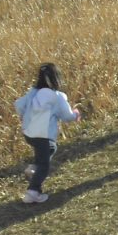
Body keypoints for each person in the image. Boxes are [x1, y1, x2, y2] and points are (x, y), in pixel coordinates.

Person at [15, 63, 81, 199]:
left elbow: (19, 105)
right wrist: (75, 114)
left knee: (50, 149)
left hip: (28, 133)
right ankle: (33, 192)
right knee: (45, 164)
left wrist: (24, 114)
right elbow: (67, 116)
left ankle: (33, 168)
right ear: (57, 78)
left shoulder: (33, 92)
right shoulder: (57, 97)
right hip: (43, 136)